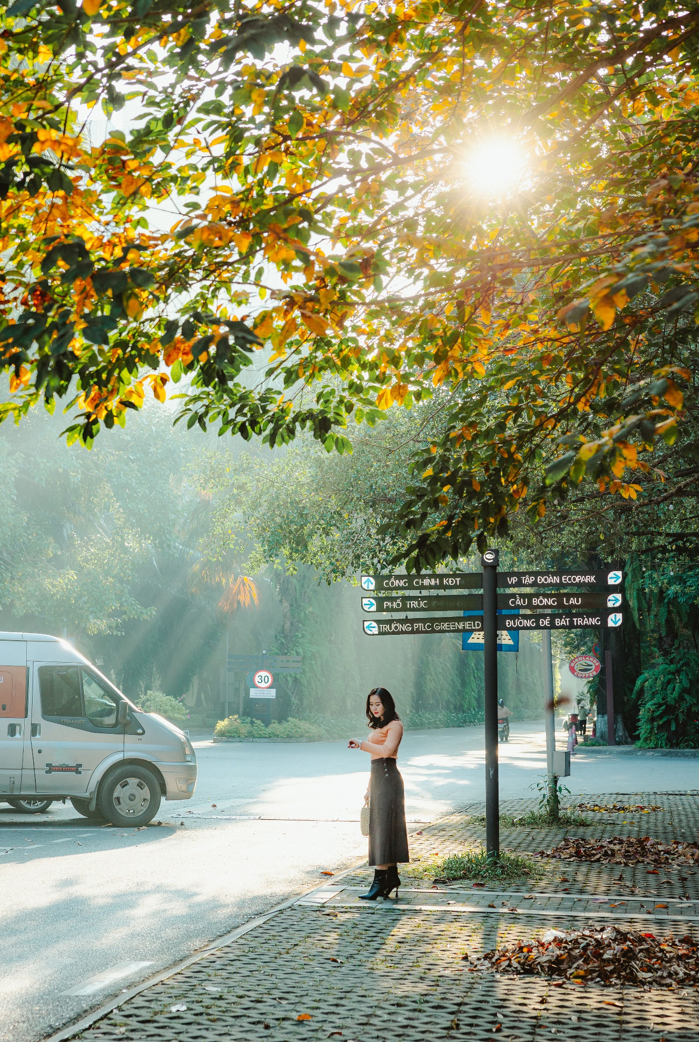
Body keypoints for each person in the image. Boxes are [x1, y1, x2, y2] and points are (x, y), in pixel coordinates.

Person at [348, 687, 409, 900]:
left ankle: (379, 881)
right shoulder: (380, 726)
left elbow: (386, 752)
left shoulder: (395, 726)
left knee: (383, 831)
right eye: (371, 704)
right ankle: (391, 878)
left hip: (388, 779)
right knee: (383, 830)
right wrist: (368, 789)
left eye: (378, 704)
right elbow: (374, 762)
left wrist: (361, 744)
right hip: (379, 780)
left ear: (387, 704)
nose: (374, 708)